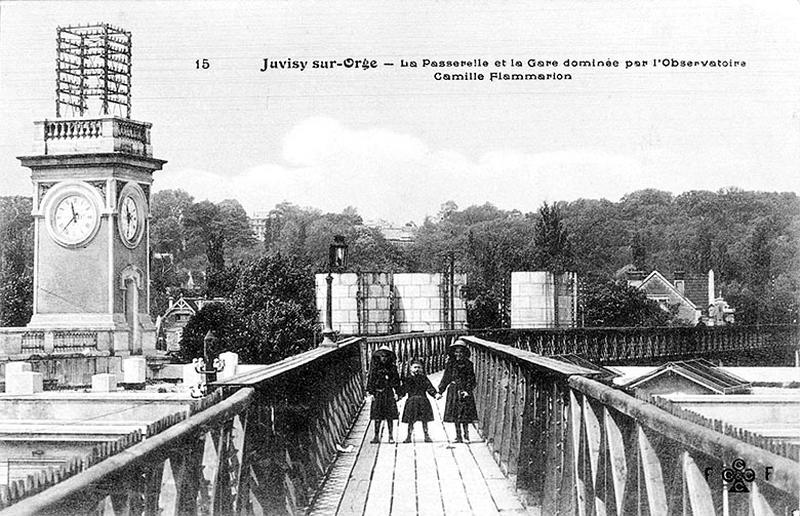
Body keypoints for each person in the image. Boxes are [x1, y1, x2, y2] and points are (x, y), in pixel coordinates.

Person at [438, 339, 478, 443]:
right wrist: (440, 391)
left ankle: (466, 435)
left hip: (464, 390)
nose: (458, 354)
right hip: (453, 390)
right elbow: (446, 377)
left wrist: (467, 391)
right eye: (456, 351)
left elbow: (471, 379)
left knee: (464, 414)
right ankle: (458, 435)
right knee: (455, 414)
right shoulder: (450, 364)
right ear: (453, 352)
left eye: (461, 352)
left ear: (464, 353)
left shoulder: (469, 364)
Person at [399, 358, 440, 443]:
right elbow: (403, 389)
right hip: (411, 401)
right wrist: (399, 395)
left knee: (424, 419)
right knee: (410, 420)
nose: (417, 369)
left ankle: (426, 435)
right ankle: (408, 436)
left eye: (419, 367)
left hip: (423, 400)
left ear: (421, 368)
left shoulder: (423, 378)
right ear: (410, 368)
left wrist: (435, 394)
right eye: (415, 367)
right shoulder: (408, 379)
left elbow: (429, 387)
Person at [366, 346, 401, 443]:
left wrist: (398, 392)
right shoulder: (375, 369)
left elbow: (396, 381)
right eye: (382, 356)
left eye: (386, 356)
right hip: (378, 393)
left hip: (388, 393)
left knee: (389, 416)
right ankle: (376, 436)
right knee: (377, 417)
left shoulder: (392, 368)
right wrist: (371, 393)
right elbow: (371, 380)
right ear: (378, 357)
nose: (384, 358)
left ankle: (390, 436)